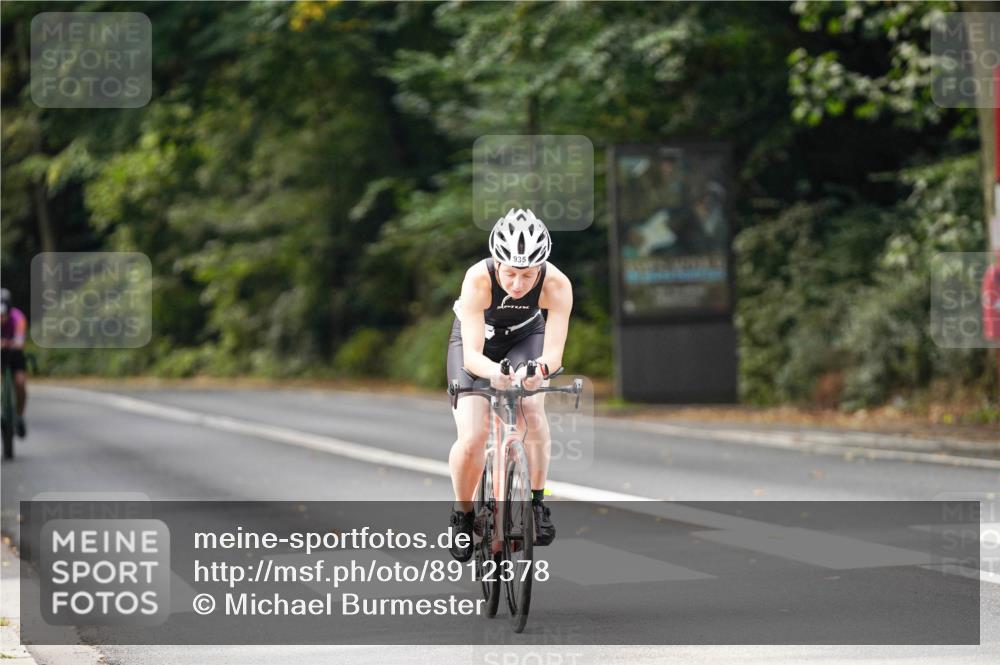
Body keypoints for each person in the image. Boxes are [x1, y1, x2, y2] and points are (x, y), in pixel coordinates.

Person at [445, 208, 573, 562]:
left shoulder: (557, 284)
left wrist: (538, 371)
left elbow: (554, 354)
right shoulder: (478, 279)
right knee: (472, 437)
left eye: (528, 275)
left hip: (525, 338)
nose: (518, 285)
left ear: (541, 268)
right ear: (497, 263)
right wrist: (494, 374)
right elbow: (472, 356)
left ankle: (536, 504)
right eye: (511, 274)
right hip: (477, 345)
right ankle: (463, 514)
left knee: (531, 406)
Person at [0, 288, 28, 437]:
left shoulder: (18, 317)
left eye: (3, 315)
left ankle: (19, 416)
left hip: (14, 354)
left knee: (20, 383)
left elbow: (20, 338)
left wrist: (12, 343)